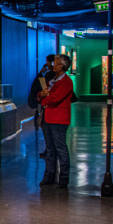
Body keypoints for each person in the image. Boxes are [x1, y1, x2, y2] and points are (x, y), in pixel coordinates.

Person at [38, 54, 74, 188]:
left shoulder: (66, 82)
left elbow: (54, 98)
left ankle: (63, 178)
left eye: (57, 63)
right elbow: (44, 94)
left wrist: (43, 99)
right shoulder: (53, 80)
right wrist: (41, 95)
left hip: (59, 120)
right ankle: (49, 176)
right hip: (48, 118)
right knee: (50, 149)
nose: (53, 65)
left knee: (60, 149)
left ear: (63, 66)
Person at [27, 54, 56, 158]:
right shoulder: (54, 75)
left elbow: (42, 87)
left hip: (48, 106)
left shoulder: (50, 75)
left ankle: (50, 150)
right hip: (50, 106)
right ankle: (50, 150)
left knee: (47, 129)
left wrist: (41, 74)